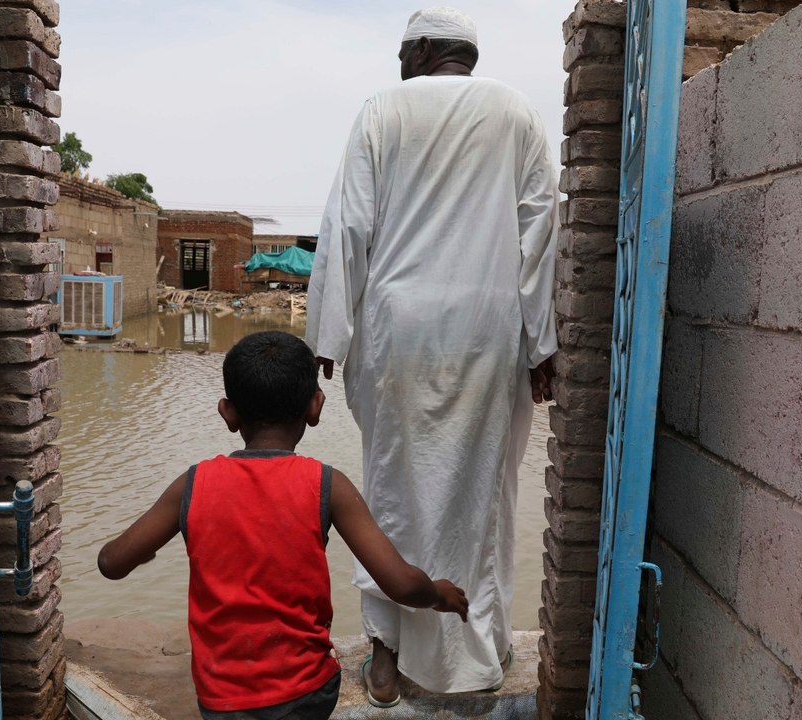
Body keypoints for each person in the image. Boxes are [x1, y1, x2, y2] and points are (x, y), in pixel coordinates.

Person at [305, 5, 559, 705]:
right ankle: (482, 653)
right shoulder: (517, 113)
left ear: (418, 49)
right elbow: (541, 231)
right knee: (485, 495)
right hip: (488, 330)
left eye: (401, 52)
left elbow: (347, 224)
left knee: (389, 490)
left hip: (396, 332)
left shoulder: (381, 110)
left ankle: (386, 656)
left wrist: (327, 340)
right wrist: (543, 341)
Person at [97, 331, 469, 720]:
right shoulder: (327, 484)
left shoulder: (193, 484)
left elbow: (111, 562)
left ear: (228, 412)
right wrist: (439, 595)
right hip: (308, 693)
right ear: (316, 406)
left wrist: (149, 549)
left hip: (222, 699)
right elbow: (402, 584)